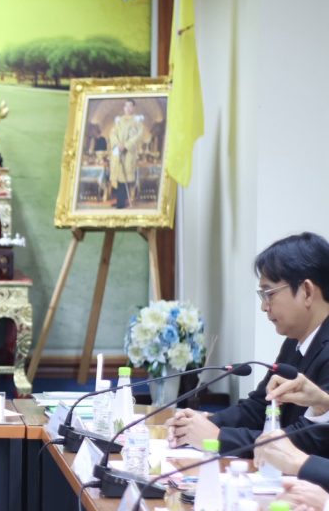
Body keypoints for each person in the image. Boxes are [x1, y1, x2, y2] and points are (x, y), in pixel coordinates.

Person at [167, 233, 329, 456]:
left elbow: (311, 439)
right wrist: (203, 423)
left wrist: (217, 438)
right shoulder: (294, 343)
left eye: (269, 294)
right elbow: (260, 407)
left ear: (307, 292)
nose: (264, 307)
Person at [108, 99, 144, 208]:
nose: (128, 109)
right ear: (123, 108)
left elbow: (139, 136)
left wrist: (126, 145)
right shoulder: (119, 121)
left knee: (125, 176)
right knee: (118, 175)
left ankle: (122, 202)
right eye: (126, 106)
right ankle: (120, 200)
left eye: (130, 106)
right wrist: (117, 144)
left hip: (128, 152)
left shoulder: (137, 121)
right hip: (118, 151)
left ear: (134, 108)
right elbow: (112, 133)